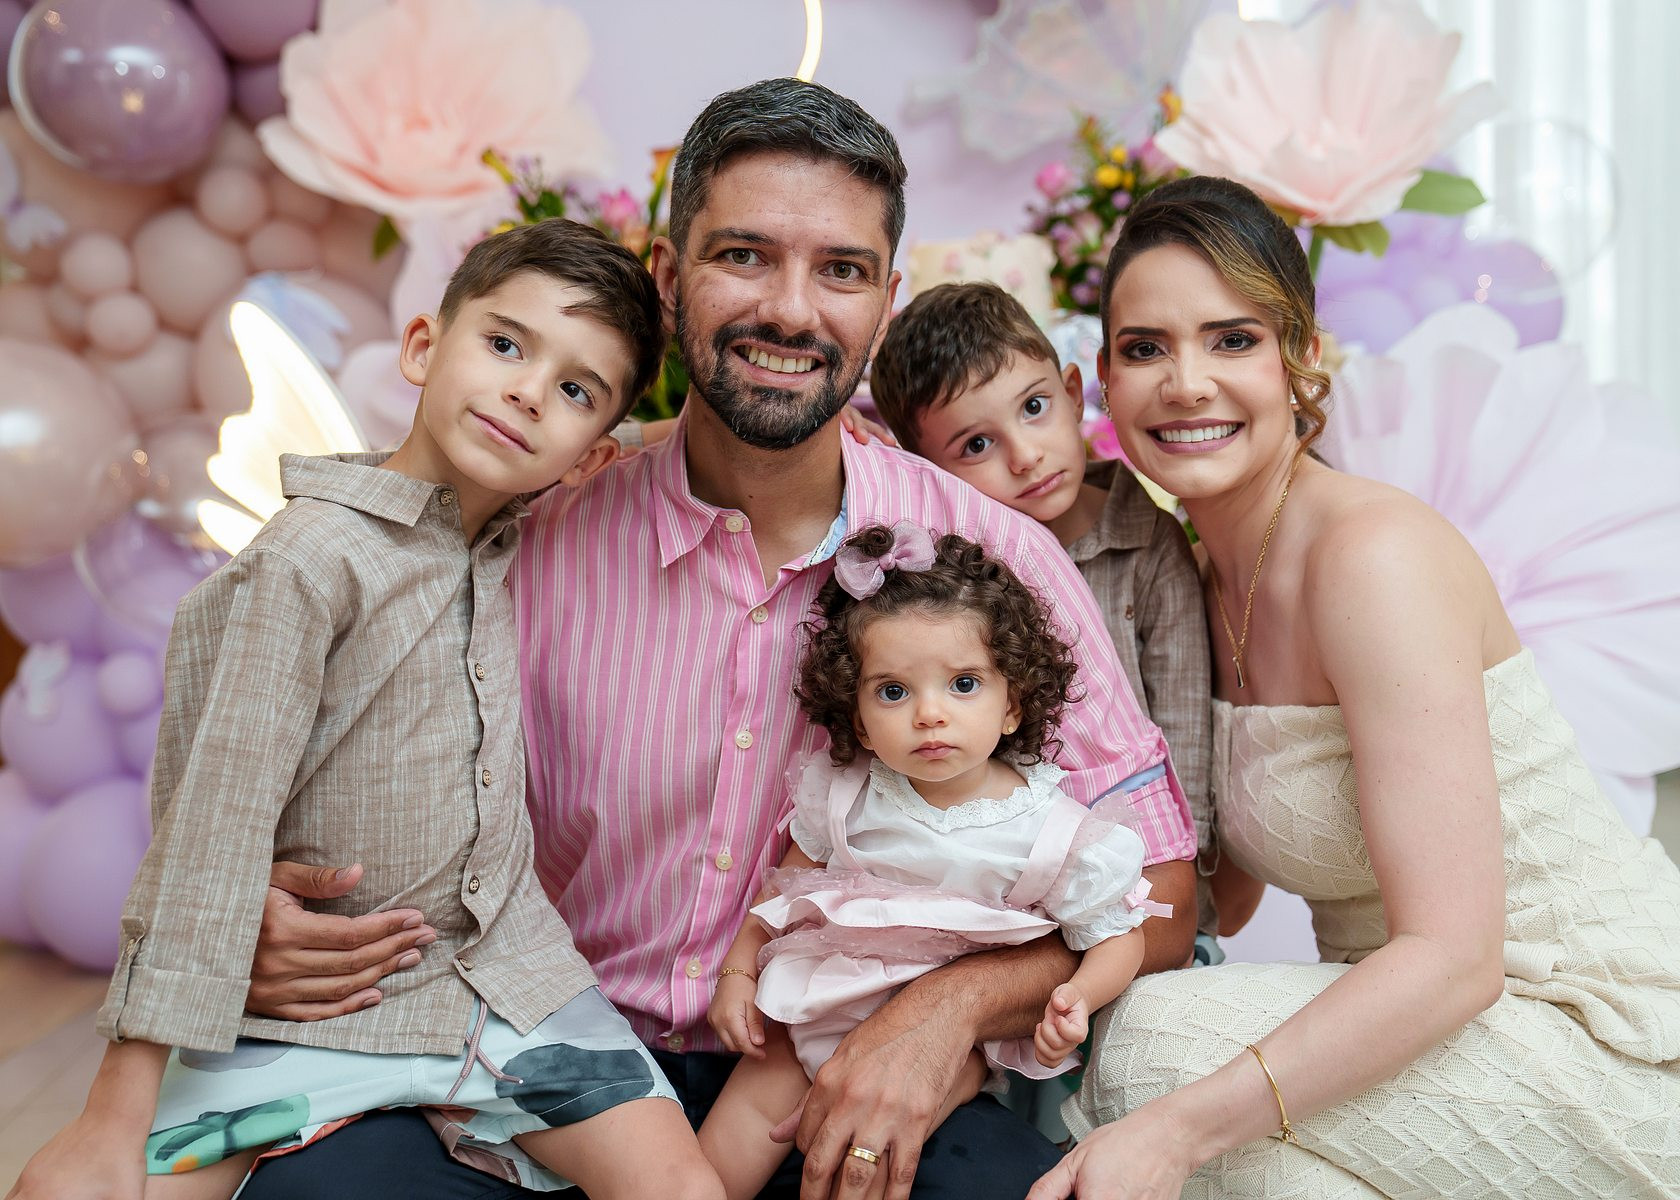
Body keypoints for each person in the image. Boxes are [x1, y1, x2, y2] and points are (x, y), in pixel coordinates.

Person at [235, 78, 1198, 1200]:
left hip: (833, 1068)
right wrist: (258, 910)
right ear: (667, 275)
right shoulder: (526, 532)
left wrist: (947, 1011)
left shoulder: (995, 560)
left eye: (840, 270)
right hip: (526, 1063)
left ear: (885, 303)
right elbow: (314, 771)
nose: (791, 311)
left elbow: (1164, 900)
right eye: (745, 255)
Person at [7, 220, 723, 1200]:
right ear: (423, 347)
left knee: (682, 1187)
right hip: (318, 1011)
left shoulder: (514, 526)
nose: (527, 392)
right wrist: (112, 1113)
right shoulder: (306, 565)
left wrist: (789, 428)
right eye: (504, 345)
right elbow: (209, 835)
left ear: (585, 452)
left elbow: (621, 452)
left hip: (507, 984)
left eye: (574, 390)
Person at [1027, 175, 1680, 1200]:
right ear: (1101, 379)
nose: (1186, 383)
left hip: (1594, 1033)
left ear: (1301, 356)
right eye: (1146, 349)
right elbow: (1217, 899)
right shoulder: (1190, 584)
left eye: (1233, 340)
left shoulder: (1373, 557)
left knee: (1157, 1051)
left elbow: (1457, 958)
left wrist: (1174, 1133)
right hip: (1426, 1034)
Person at [699, 524, 1164, 1199]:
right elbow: (787, 887)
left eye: (963, 684)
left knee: (867, 1172)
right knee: (713, 1166)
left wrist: (1078, 999)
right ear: (860, 722)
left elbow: (1118, 935)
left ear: (1013, 704)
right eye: (893, 692)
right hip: (814, 1003)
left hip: (940, 1054)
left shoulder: (1054, 833)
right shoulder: (847, 793)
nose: (929, 714)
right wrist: (740, 970)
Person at [870, 282, 1217, 962]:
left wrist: (1185, 895)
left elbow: (1184, 736)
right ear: (927, 470)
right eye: (977, 444)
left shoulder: (1148, 545)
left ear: (1073, 391)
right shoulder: (950, 578)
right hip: (994, 883)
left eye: (1034, 408)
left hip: (1137, 876)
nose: (1025, 455)